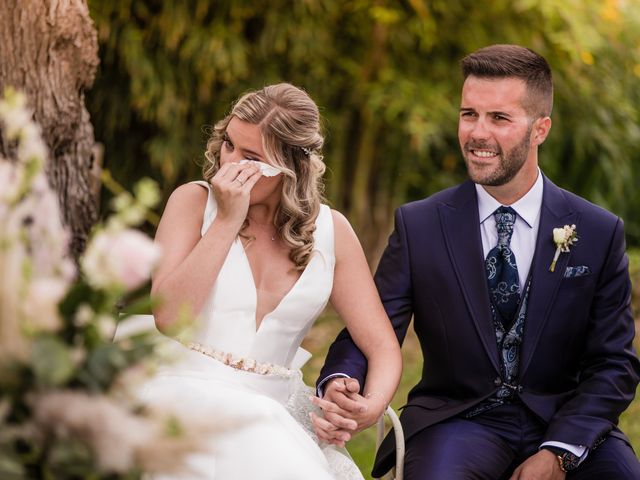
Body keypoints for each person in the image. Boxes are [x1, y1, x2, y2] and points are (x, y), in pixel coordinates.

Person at [314, 45, 640, 479]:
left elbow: (614, 363)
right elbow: (371, 326)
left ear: (540, 129)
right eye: (469, 114)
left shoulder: (598, 232)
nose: (477, 133)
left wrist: (559, 452)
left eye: (499, 118)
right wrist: (341, 379)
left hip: (564, 420)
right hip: (458, 421)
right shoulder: (419, 225)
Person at [144, 83, 402, 479]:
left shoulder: (333, 232)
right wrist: (227, 221)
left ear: (293, 166)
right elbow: (167, 317)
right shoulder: (193, 202)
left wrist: (368, 407)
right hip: (180, 395)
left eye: (251, 157)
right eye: (228, 144)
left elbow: (383, 345)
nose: (228, 165)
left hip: (275, 416)